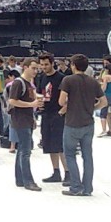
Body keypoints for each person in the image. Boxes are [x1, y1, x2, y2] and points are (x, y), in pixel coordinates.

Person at [59, 54, 107, 197]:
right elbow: (104, 102)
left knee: (70, 155)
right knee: (87, 156)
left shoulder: (68, 80)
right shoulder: (93, 82)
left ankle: (75, 186)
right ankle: (87, 188)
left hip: (72, 123)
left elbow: (61, 102)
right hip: (88, 123)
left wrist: (70, 104)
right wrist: (92, 107)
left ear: (73, 65)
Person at [7, 57, 42, 191]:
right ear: (25, 67)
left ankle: (20, 179)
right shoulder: (19, 83)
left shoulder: (27, 83)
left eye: (36, 69)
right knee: (25, 151)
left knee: (22, 150)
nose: (35, 71)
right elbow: (12, 101)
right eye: (33, 68)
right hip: (20, 120)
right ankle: (28, 181)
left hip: (26, 119)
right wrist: (31, 104)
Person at [36, 54, 68, 184]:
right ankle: (56, 171)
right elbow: (39, 93)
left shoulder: (61, 78)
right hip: (46, 114)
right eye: (42, 65)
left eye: (46, 64)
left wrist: (62, 111)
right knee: (49, 144)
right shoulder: (41, 77)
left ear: (52, 63)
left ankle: (68, 172)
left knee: (60, 145)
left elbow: (68, 96)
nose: (44, 67)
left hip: (58, 114)